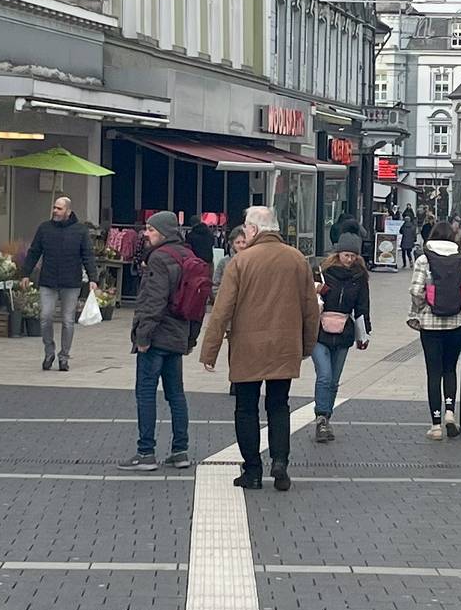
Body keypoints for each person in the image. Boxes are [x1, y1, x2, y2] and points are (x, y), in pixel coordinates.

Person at [199, 205, 320, 491]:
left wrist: (210, 350)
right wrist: (307, 345)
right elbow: (310, 309)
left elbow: (222, 309)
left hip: (247, 347)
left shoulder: (241, 261)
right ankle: (280, 462)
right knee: (279, 405)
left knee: (246, 408)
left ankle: (252, 470)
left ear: (252, 229)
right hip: (284, 345)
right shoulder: (297, 259)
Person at [121, 212, 199, 472]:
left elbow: (153, 301)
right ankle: (180, 451)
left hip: (156, 337)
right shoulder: (189, 256)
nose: (146, 234)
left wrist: (143, 337)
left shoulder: (159, 259)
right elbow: (197, 305)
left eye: (151, 230)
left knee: (145, 392)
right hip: (178, 335)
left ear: (163, 232)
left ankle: (146, 452)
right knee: (176, 394)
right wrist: (191, 338)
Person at [409, 220, 461, 438]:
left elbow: (415, 290)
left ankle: (436, 425)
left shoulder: (424, 260)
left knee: (434, 372)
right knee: (450, 369)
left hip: (430, 325)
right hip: (456, 322)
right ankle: (450, 412)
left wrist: (424, 306)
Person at [19, 195, 93, 372]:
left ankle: (64, 356)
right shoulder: (45, 228)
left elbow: (88, 255)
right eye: (54, 207)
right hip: (48, 280)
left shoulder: (80, 231)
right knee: (45, 317)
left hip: (71, 282)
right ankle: (49, 352)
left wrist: (93, 278)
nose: (55, 211)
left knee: (68, 321)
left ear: (68, 211)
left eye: (59, 208)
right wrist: (25, 274)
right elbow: (34, 251)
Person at [309, 248, 371, 444]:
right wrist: (318, 291)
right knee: (325, 375)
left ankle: (326, 417)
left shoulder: (359, 278)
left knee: (334, 380)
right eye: (346, 255)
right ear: (338, 255)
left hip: (344, 332)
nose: (349, 259)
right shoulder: (322, 273)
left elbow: (362, 307)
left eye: (353, 256)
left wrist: (364, 334)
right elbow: (307, 299)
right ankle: (320, 416)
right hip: (320, 331)